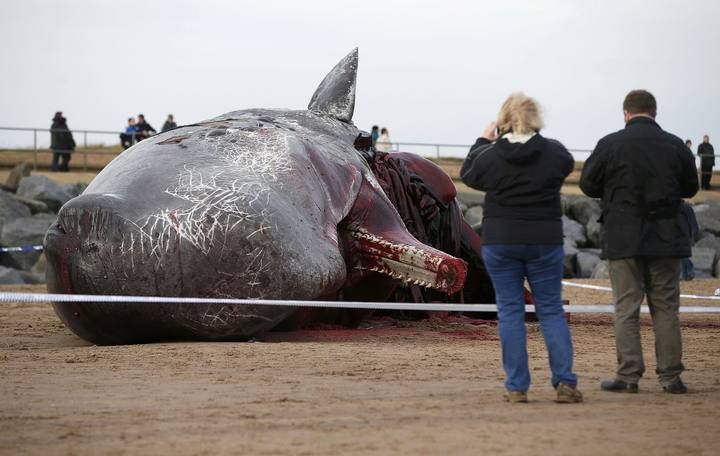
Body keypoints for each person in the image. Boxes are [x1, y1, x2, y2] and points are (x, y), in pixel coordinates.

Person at [460, 93, 582, 404]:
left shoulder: (490, 156)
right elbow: (565, 164)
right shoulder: (554, 153)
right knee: (551, 310)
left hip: (502, 240)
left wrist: (481, 140)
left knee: (510, 312)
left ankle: (517, 386)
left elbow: (469, 174)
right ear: (536, 119)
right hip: (544, 240)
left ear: (501, 122)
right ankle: (565, 382)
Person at [580, 89, 699, 394]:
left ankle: (629, 375)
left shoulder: (610, 144)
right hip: (667, 237)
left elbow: (588, 183)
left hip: (624, 238)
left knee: (626, 308)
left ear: (626, 113)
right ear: (655, 113)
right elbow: (691, 186)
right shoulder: (675, 145)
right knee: (666, 309)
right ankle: (671, 377)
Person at [680, 201, 699, 281]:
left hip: (685, 235)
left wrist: (694, 234)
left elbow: (693, 222)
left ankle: (687, 274)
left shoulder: (686, 206)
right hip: (678, 235)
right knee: (683, 256)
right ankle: (688, 273)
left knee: (683, 256)